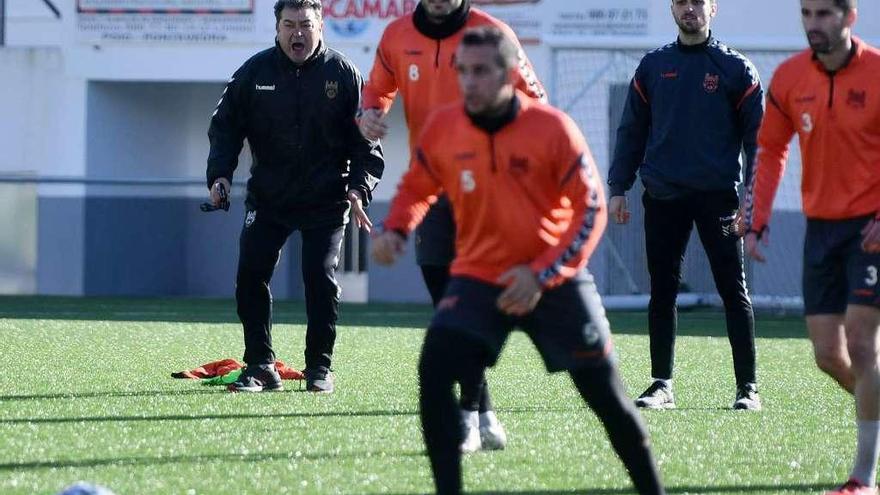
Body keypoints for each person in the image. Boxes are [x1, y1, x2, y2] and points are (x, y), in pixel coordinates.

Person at [372, 26, 665, 495]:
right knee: (434, 368)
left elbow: (590, 209)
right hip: (478, 277)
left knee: (608, 400)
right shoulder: (444, 127)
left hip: (556, 279)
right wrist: (397, 228)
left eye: (481, 71)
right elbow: (417, 185)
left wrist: (543, 272)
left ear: (509, 73)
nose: (469, 82)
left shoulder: (551, 128)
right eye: (462, 71)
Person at [358, 0, 546, 452]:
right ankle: (481, 410)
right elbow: (376, 91)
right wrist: (367, 115)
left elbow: (536, 102)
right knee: (449, 306)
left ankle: (469, 415)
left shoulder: (493, 33)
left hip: (487, 192)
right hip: (431, 188)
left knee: (468, 309)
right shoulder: (397, 36)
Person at [205, 0, 384, 394]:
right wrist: (219, 175)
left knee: (318, 278)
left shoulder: (345, 74)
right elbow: (225, 128)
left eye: (305, 24)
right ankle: (260, 366)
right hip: (270, 199)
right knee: (250, 274)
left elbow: (366, 144)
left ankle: (319, 368)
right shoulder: (254, 73)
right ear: (277, 27)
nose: (297, 33)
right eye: (289, 24)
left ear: (320, 26)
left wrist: (358, 189)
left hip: (327, 200)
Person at [743, 1, 880, 492]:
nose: (814, 24)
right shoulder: (788, 78)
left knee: (863, 343)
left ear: (849, 18)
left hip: (871, 228)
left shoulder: (878, 72)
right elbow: (771, 149)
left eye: (824, 13)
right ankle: (876, 410)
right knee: (829, 355)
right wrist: (756, 222)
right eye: (807, 13)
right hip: (820, 228)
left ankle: (862, 477)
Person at [608, 0, 762, 410]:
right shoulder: (653, 67)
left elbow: (758, 142)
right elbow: (631, 131)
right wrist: (618, 187)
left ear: (714, 9)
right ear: (672, 9)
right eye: (681, 2)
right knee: (662, 292)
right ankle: (662, 385)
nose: (689, 9)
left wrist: (753, 197)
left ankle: (748, 388)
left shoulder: (736, 69)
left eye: (698, 2)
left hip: (720, 200)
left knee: (734, 291)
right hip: (663, 197)